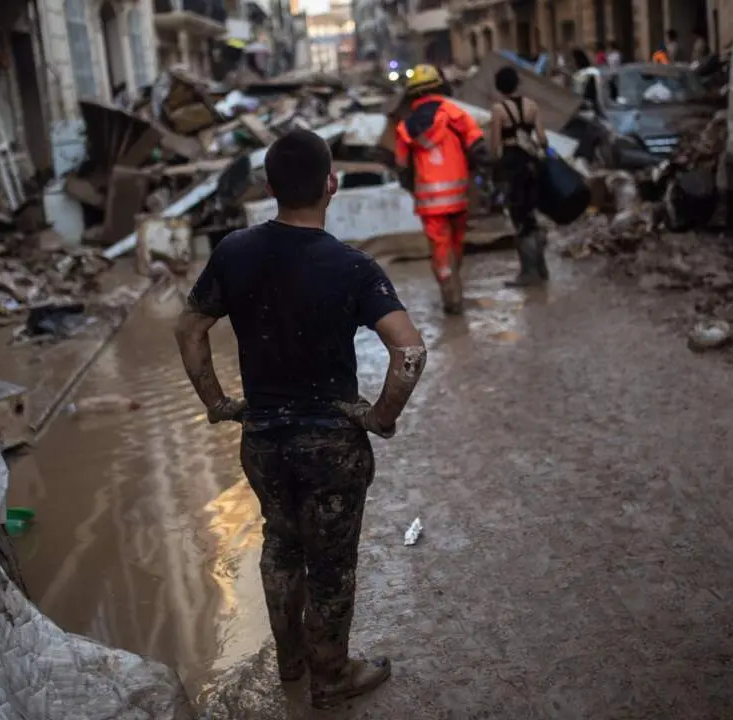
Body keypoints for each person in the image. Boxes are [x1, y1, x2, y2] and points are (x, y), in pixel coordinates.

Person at [174, 129, 427, 709]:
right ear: (331, 185)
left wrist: (217, 403)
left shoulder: (233, 250)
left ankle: (290, 661)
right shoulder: (353, 266)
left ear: (268, 188)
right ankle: (332, 676)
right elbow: (409, 352)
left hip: (263, 438)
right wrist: (380, 417)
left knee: (281, 546)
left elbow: (188, 329)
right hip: (331, 445)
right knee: (331, 564)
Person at [395, 63, 488, 315]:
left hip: (428, 201)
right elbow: (478, 145)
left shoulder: (405, 127)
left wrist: (413, 189)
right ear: (439, 86)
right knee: (457, 244)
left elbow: (402, 167)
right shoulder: (453, 112)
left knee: (439, 248)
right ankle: (456, 285)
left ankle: (451, 298)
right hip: (458, 197)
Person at [489, 66, 549, 286]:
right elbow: (542, 139)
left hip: (512, 166)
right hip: (531, 164)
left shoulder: (498, 110)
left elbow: (495, 146)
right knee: (532, 213)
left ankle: (528, 271)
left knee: (519, 217)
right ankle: (542, 268)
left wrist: (493, 170)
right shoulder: (532, 106)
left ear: (499, 87)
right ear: (517, 83)